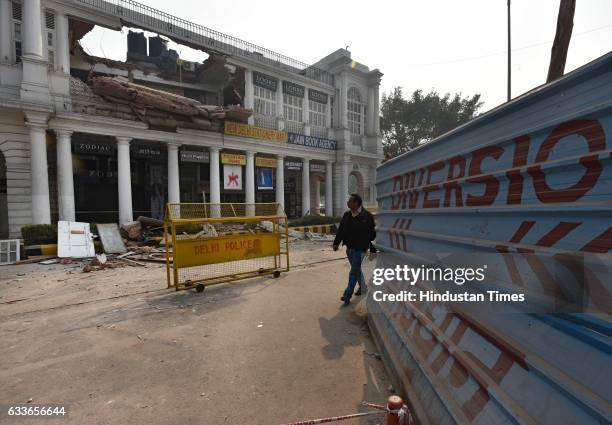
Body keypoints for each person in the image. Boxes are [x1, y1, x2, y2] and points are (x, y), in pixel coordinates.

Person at [333, 193, 377, 305]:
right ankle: (363, 287)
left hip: (360, 249)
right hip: (349, 248)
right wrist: (336, 243)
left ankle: (347, 294)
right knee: (356, 269)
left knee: (353, 271)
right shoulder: (347, 215)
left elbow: (372, 234)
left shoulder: (367, 216)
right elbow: (341, 230)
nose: (348, 203)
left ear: (356, 203)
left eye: (350, 201)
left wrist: (372, 249)